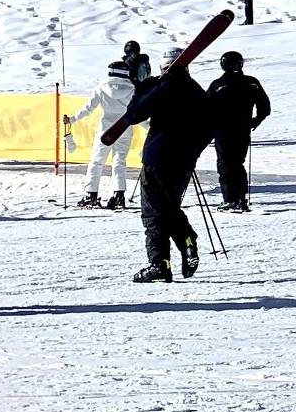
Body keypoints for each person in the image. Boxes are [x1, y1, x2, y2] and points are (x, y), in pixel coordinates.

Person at [111, 47, 216, 281]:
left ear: (163, 67)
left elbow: (133, 115)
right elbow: (211, 126)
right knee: (168, 208)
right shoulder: (197, 90)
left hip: (157, 158)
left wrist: (140, 87)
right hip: (184, 161)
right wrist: (192, 151)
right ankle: (183, 246)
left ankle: (161, 263)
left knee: (153, 213)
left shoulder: (162, 88)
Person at [66, 60, 142, 208]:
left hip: (105, 130)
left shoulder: (102, 88)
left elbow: (88, 109)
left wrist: (72, 119)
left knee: (97, 161)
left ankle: (91, 194)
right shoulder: (133, 90)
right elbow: (138, 113)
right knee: (119, 162)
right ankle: (119, 195)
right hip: (124, 129)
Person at [206, 50, 271, 212]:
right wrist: (254, 122)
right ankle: (241, 198)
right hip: (242, 129)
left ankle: (230, 199)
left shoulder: (218, 85)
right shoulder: (251, 82)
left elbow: (204, 109)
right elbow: (265, 107)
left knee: (225, 165)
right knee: (237, 164)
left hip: (222, 131)